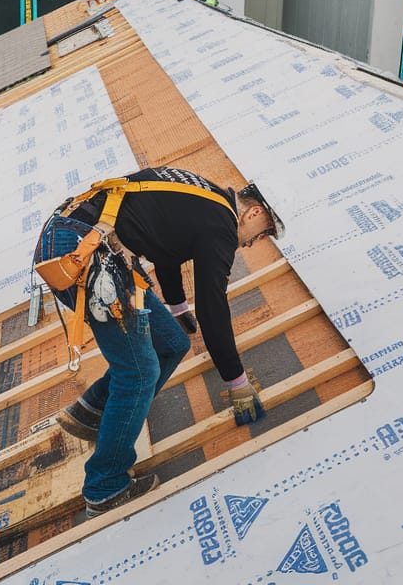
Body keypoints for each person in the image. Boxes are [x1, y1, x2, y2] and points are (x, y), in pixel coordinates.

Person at [33, 166, 283, 517]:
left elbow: (167, 251)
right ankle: (105, 487)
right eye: (263, 233)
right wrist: (237, 382)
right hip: (84, 252)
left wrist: (178, 309)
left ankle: (92, 411)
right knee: (139, 373)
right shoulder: (222, 226)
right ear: (254, 212)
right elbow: (213, 309)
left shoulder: (205, 194)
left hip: (79, 238)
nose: (252, 243)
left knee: (171, 343)